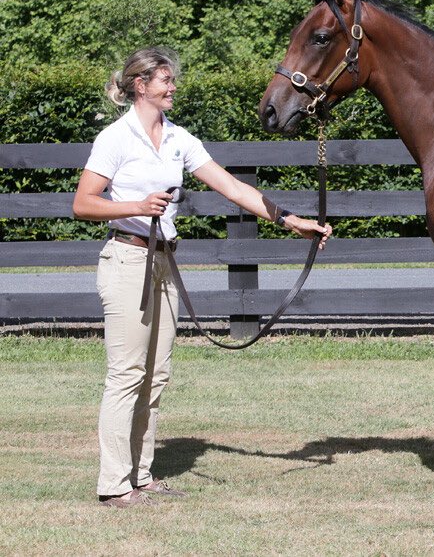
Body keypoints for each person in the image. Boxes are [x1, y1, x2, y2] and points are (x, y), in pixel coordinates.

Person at [72, 47, 332, 508]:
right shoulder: (116, 138)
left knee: (155, 376)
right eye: (165, 81)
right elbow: (84, 204)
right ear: (141, 86)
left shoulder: (177, 138)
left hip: (164, 261)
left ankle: (143, 476)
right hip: (128, 260)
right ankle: (114, 484)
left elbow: (232, 187)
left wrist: (291, 220)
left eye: (172, 80)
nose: (173, 88)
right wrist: (137, 205)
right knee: (127, 374)